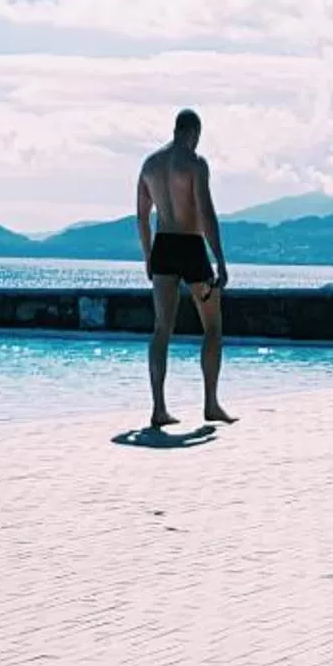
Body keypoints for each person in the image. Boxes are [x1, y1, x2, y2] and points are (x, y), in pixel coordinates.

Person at [136, 109, 232, 432]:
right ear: (193, 132)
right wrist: (219, 257)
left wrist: (148, 256)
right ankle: (210, 403)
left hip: (163, 246)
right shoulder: (194, 163)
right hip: (190, 246)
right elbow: (205, 211)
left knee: (162, 328)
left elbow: (141, 217)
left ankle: (159, 408)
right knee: (213, 327)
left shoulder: (150, 165)